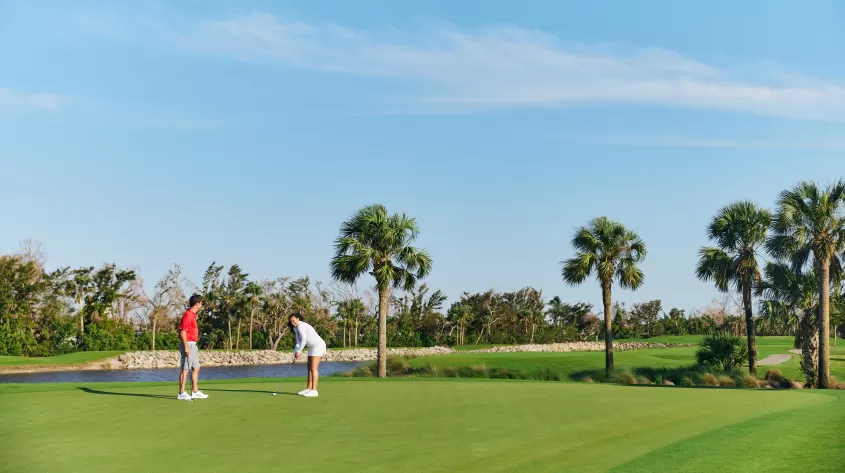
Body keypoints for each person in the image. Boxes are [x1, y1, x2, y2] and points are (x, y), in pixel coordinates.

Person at [177, 294, 208, 401]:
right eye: (201, 303)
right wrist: (186, 347)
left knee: (196, 367)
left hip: (193, 345)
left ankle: (195, 392)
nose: (201, 305)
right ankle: (181, 393)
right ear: (197, 304)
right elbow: (182, 332)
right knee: (185, 369)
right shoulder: (188, 315)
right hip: (188, 344)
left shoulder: (192, 315)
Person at [289, 313, 326, 397]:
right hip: (311, 347)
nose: (292, 323)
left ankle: (314, 390)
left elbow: (304, 340)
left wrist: (299, 352)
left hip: (318, 345)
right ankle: (308, 388)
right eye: (291, 322)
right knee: (309, 367)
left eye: (293, 321)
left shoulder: (302, 326)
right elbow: (298, 342)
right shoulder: (296, 328)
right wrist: (295, 352)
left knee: (313, 368)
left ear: (298, 319)